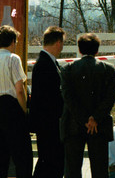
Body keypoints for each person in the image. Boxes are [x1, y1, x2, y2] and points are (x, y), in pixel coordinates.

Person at [61, 33, 115, 178]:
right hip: (100, 125)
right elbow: (110, 98)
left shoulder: (68, 69)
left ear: (79, 50)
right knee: (100, 170)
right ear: (97, 50)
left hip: (73, 124)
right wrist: (95, 118)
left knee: (72, 170)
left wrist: (84, 119)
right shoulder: (109, 70)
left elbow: (68, 97)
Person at [0, 25, 33, 178]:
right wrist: (23, 110)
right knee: (22, 156)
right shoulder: (13, 59)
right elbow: (20, 89)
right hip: (12, 107)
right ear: (12, 41)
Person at [29, 26, 66, 178]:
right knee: (51, 162)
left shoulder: (47, 63)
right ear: (58, 43)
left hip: (48, 122)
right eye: (62, 43)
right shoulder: (45, 64)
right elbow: (49, 97)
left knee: (49, 161)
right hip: (49, 123)